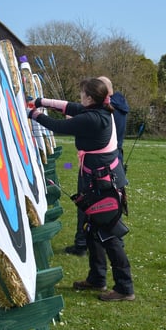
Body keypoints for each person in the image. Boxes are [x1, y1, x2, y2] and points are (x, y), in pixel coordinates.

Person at [29, 78, 135, 301]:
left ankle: (125, 287)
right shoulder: (97, 109)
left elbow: (59, 126)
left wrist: (33, 114)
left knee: (109, 235)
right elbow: (67, 106)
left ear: (89, 97)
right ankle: (97, 278)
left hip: (104, 184)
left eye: (82, 94)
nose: (79, 98)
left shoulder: (94, 118)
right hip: (97, 181)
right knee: (92, 230)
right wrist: (39, 101)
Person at [65, 76, 130, 257]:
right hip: (112, 163)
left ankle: (84, 244)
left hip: (102, 167)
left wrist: (77, 122)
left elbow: (95, 128)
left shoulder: (108, 111)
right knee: (106, 207)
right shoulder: (116, 108)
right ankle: (96, 252)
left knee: (97, 206)